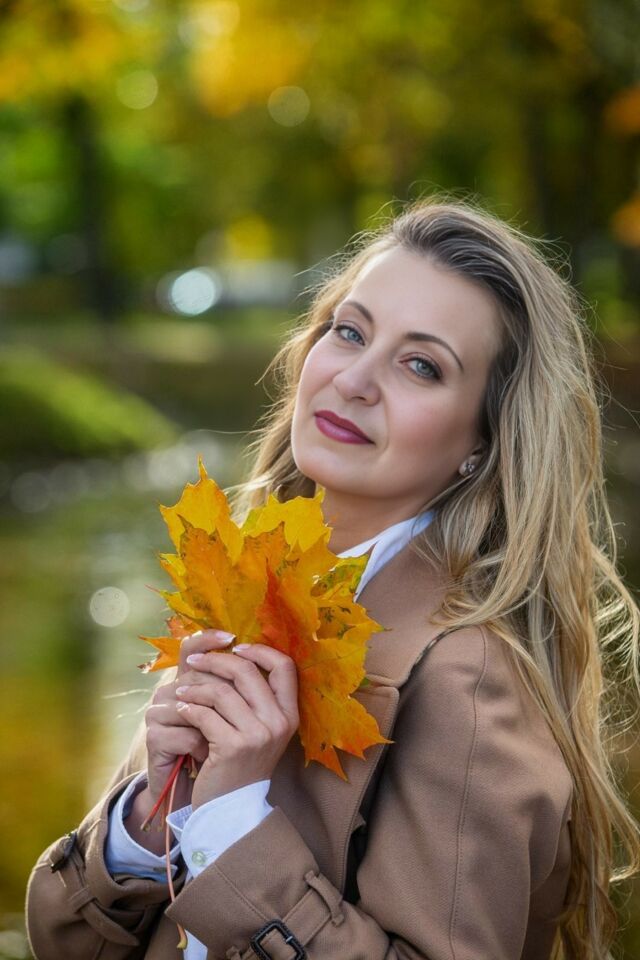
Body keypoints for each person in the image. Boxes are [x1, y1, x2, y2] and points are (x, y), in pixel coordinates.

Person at [26, 197, 640, 960]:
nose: (355, 379)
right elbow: (62, 938)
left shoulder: (468, 681)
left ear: (482, 442)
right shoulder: (247, 586)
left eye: (421, 365)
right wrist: (147, 820)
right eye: (349, 332)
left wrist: (232, 825)